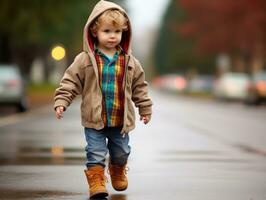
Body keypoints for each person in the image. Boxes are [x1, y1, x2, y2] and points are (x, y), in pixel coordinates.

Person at [54, 0, 153, 198]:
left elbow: (139, 87)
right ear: (94, 31)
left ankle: (117, 169)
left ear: (124, 32)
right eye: (107, 31)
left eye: (117, 32)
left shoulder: (130, 62)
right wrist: (62, 102)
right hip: (94, 120)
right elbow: (70, 82)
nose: (112, 36)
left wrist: (145, 108)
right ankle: (96, 183)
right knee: (95, 153)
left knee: (121, 152)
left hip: (120, 121)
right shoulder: (85, 60)